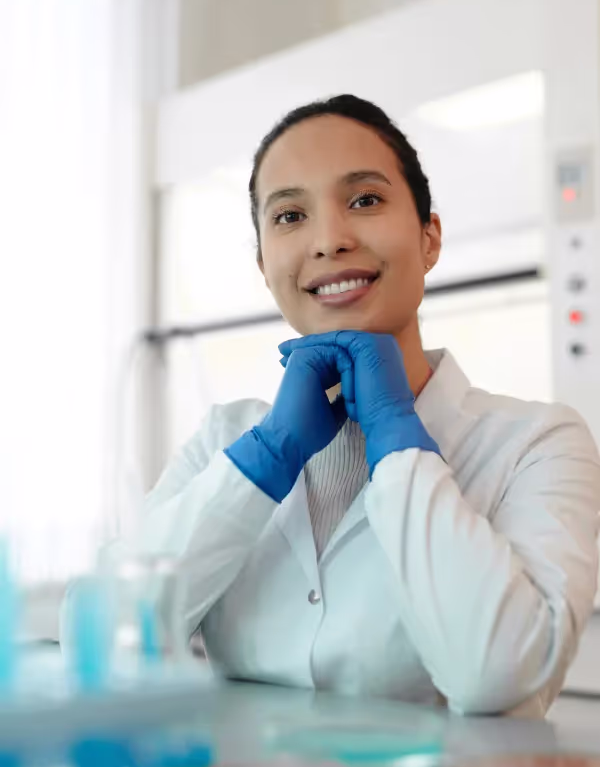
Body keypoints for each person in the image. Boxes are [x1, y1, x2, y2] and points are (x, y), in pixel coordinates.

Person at [103, 95, 600, 716]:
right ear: (264, 265)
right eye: (289, 216)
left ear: (429, 238)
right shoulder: (224, 440)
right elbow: (100, 637)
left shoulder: (538, 444)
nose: (330, 240)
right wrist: (263, 461)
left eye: (364, 200)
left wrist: (398, 442)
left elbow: (497, 679)